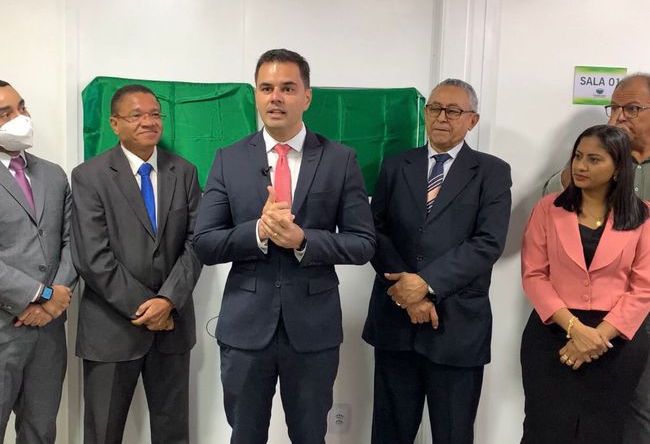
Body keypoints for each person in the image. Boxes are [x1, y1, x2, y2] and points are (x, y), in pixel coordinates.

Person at [193, 48, 375, 444]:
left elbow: (363, 244)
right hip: (245, 328)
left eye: (288, 88)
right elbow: (204, 242)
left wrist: (304, 240)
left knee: (309, 436)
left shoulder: (340, 160)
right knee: (245, 435)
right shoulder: (228, 159)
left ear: (307, 97)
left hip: (313, 330)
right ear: (256, 95)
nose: (276, 97)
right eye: (266, 88)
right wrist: (258, 231)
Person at [362, 78, 512, 444]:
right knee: (389, 433)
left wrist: (426, 285)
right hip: (396, 322)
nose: (442, 117)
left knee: (453, 433)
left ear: (472, 120)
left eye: (453, 111)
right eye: (434, 109)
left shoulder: (491, 172)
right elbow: (375, 231)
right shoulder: (396, 165)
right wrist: (407, 293)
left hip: (456, 326)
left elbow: (488, 243)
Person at [70, 84, 203, 444]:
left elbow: (196, 243)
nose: (149, 122)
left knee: (173, 434)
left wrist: (168, 301)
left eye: (155, 114)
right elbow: (91, 257)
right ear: (115, 124)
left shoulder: (184, 172)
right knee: (103, 434)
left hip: (172, 328)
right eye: (137, 115)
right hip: (111, 329)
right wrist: (148, 308)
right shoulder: (89, 176)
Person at [521, 125, 650, 443]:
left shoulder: (643, 215)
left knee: (604, 431)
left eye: (594, 159)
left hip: (615, 340)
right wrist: (576, 330)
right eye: (578, 156)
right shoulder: (548, 209)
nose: (580, 166)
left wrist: (597, 337)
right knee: (545, 428)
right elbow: (534, 275)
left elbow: (644, 287)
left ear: (618, 168)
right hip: (553, 333)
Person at [0, 80, 76, 443]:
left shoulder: (53, 174)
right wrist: (39, 294)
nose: (21, 117)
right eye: (5, 113)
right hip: (4, 327)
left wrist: (54, 299)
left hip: (48, 332)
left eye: (22, 107)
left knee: (41, 432)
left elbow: (72, 241)